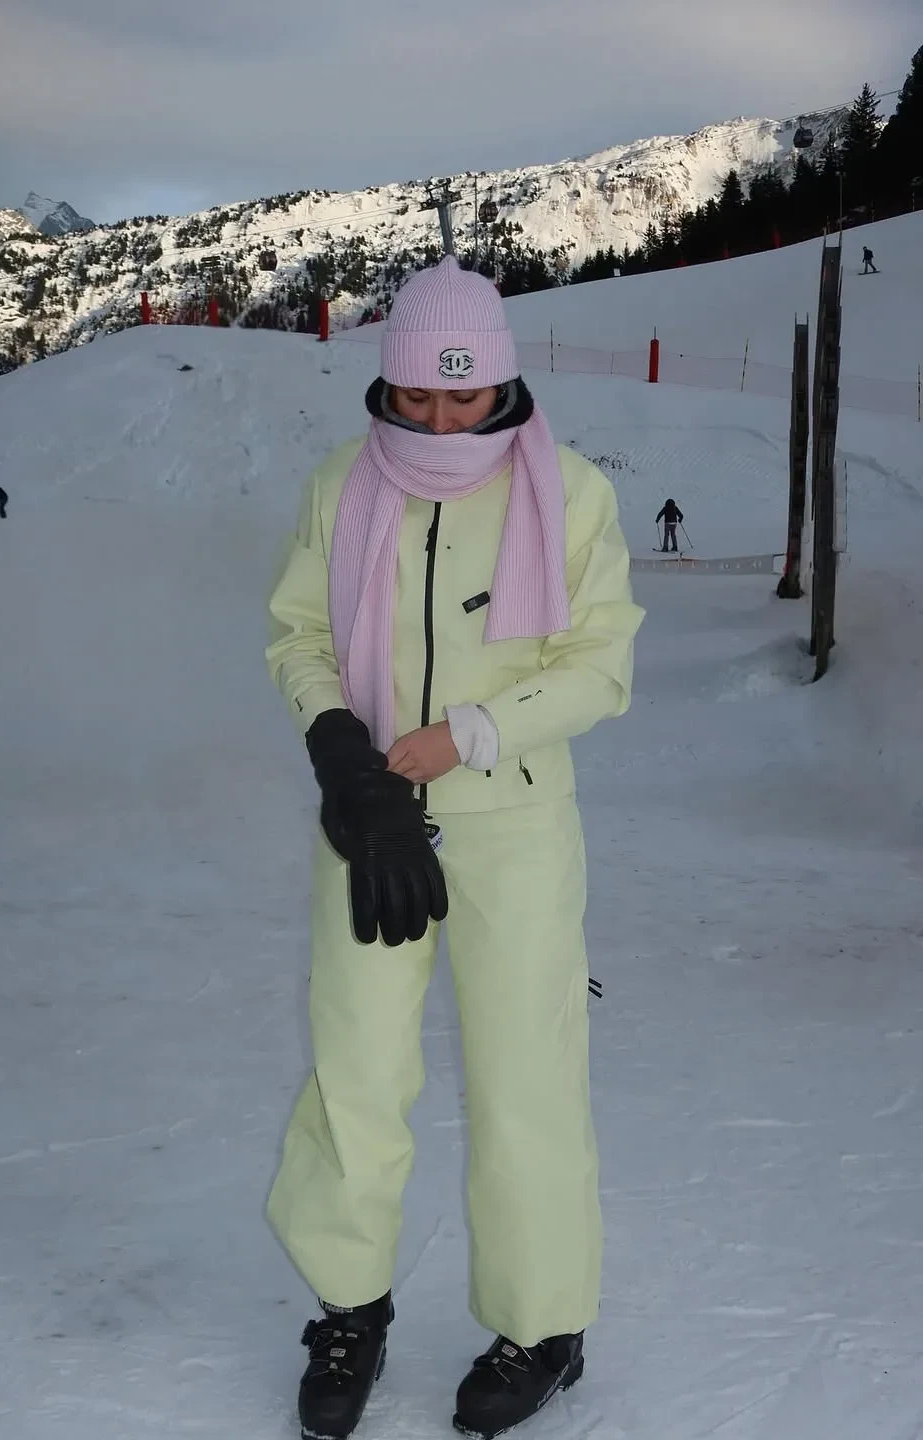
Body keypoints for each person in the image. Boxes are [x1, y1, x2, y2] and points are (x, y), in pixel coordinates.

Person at [266, 256, 644, 1440]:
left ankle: (543, 1323)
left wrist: (468, 734)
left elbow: (600, 666)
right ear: (387, 384)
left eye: (464, 396)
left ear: (503, 383)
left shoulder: (566, 492)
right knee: (357, 1071)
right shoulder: (344, 482)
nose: (439, 423)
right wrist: (343, 748)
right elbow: (299, 633)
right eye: (418, 398)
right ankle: (350, 1306)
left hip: (513, 826)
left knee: (528, 1078)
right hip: (369, 823)